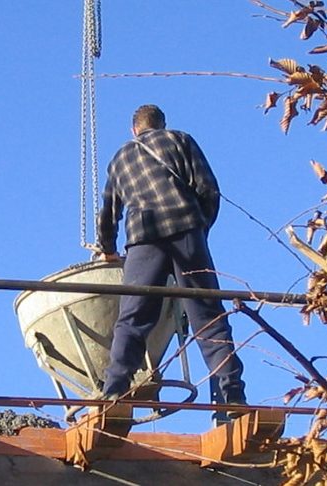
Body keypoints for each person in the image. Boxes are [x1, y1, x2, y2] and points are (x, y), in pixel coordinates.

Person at [95, 104, 247, 410]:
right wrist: (199, 228)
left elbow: (108, 211)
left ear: (133, 129)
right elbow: (209, 189)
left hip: (143, 239)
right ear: (163, 125)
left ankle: (113, 392)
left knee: (133, 318)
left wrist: (108, 248)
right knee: (208, 319)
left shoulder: (121, 157)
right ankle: (232, 397)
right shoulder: (180, 140)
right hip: (187, 231)